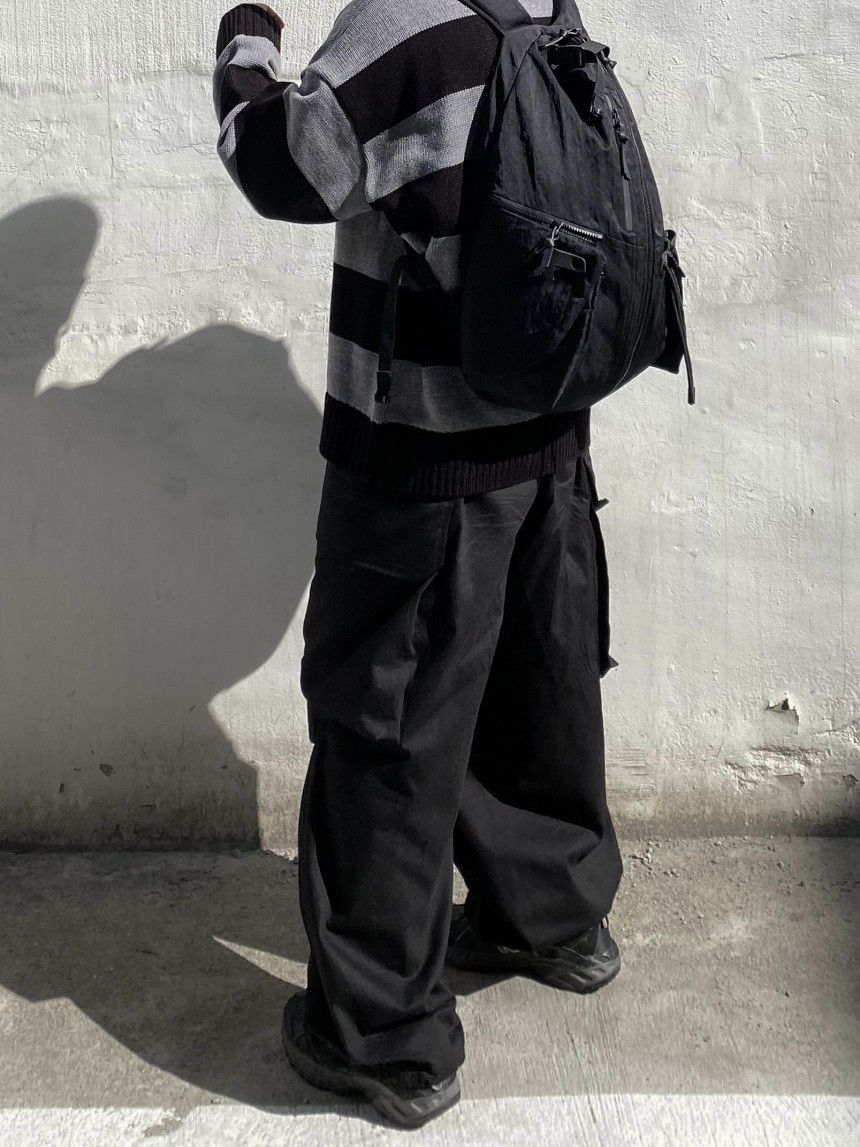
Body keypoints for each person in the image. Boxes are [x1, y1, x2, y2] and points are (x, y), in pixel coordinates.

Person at [214, 0, 623, 1129]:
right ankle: (552, 919)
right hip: (550, 440)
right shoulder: (546, 10)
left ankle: (382, 1039)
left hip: (422, 462)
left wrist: (244, 46)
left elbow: (283, 166)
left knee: (386, 729)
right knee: (533, 692)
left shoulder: (407, 24)